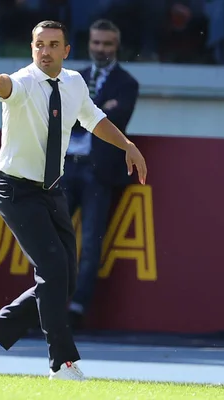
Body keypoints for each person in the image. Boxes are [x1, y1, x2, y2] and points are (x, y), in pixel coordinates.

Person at [0, 20, 147, 381]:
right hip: (15, 190)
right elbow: (8, 86)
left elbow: (94, 119)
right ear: (32, 49)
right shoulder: (25, 81)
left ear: (66, 51)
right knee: (52, 272)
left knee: (65, 280)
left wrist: (128, 145)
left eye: (53, 44)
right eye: (39, 44)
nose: (45, 51)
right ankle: (62, 362)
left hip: (51, 188)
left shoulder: (74, 82)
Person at [62, 19, 139, 330]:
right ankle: (44, 304)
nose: (101, 49)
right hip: (65, 168)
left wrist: (87, 113)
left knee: (91, 244)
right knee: (52, 239)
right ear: (88, 43)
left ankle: (77, 308)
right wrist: (96, 110)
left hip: (99, 171)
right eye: (96, 43)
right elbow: (72, 118)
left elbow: (113, 119)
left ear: (116, 45)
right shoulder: (73, 77)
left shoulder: (127, 82)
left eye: (107, 44)